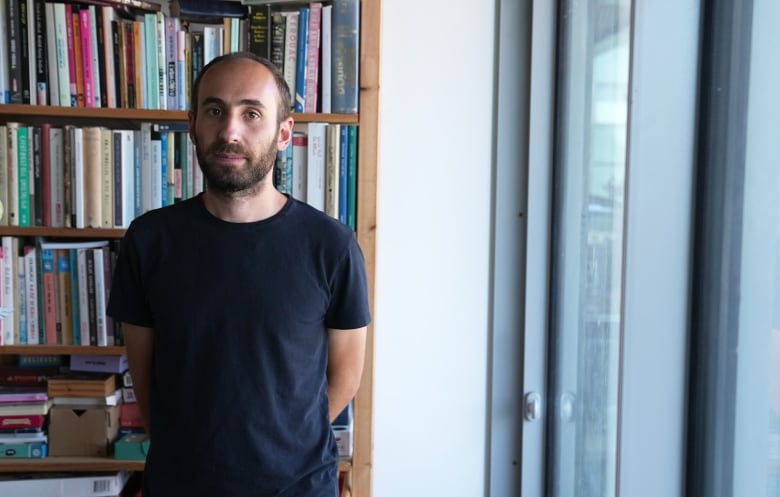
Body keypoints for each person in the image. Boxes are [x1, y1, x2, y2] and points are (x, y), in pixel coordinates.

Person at [107, 52, 371, 497]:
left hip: (298, 488)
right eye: (215, 111)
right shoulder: (149, 240)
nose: (230, 131)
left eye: (252, 114)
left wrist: (281, 440)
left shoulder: (332, 246)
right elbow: (146, 376)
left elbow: (345, 378)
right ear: (192, 124)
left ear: (284, 132)